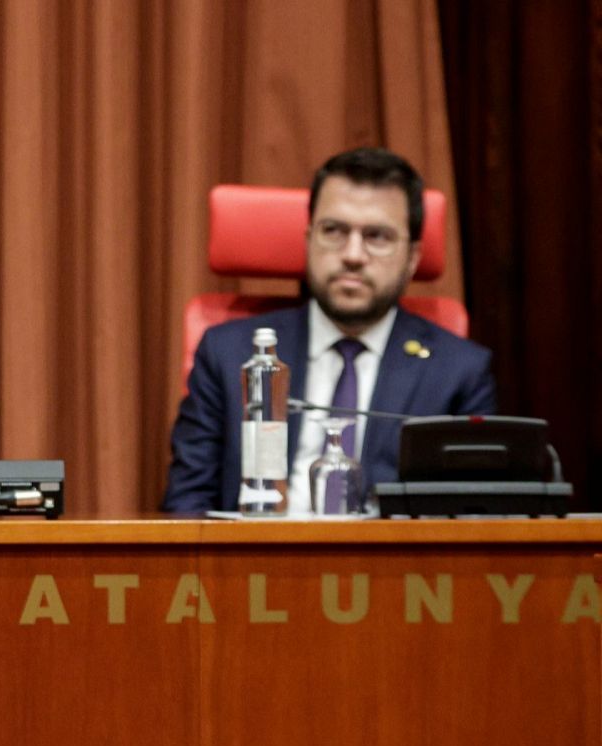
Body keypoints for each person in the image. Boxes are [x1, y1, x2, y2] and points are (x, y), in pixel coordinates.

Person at [162, 147, 495, 513]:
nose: (352, 254)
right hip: (253, 566)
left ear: (413, 257)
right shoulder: (228, 354)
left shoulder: (458, 372)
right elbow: (187, 506)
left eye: (377, 236)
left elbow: (470, 522)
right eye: (334, 230)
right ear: (308, 239)